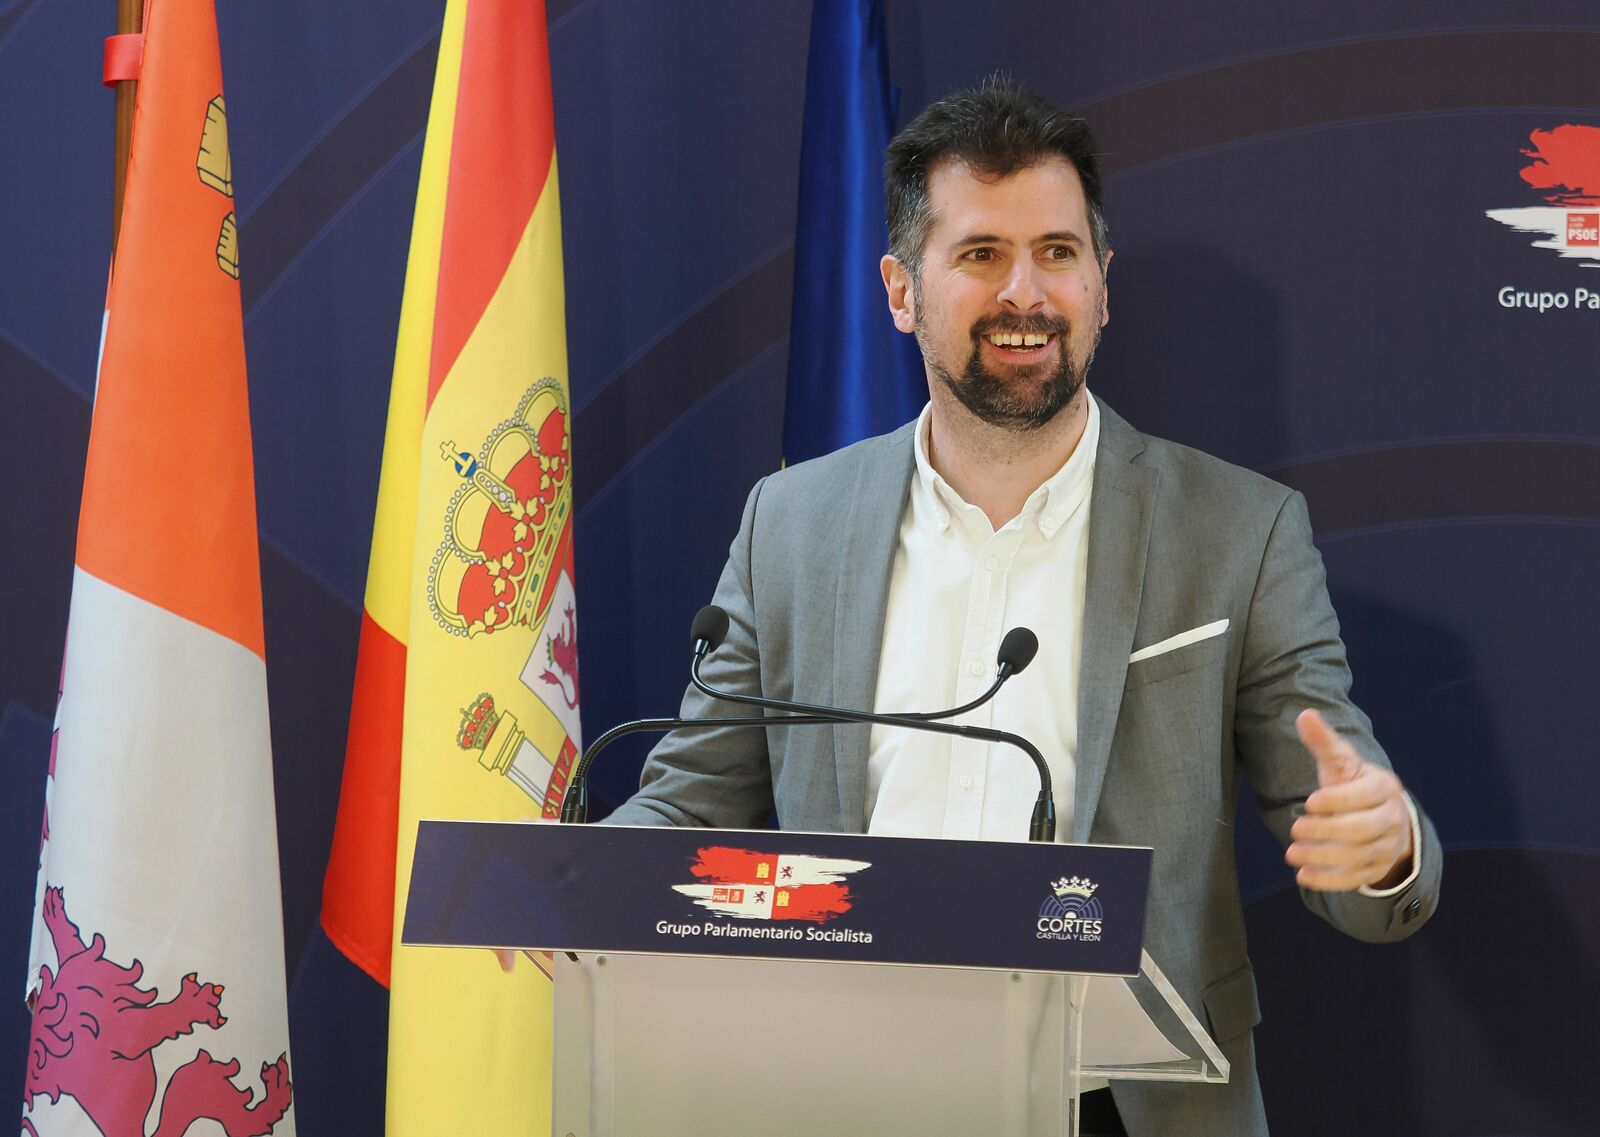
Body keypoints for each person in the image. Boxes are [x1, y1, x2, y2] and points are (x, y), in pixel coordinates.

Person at [605, 78, 1441, 1136]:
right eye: (979, 254)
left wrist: (1382, 847)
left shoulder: (1239, 529)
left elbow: (1348, 820)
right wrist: (574, 894)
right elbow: (690, 806)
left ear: (1101, 286)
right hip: (840, 1096)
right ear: (900, 291)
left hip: (1118, 1104)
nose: (1025, 294)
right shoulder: (791, 523)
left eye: (1056, 252)